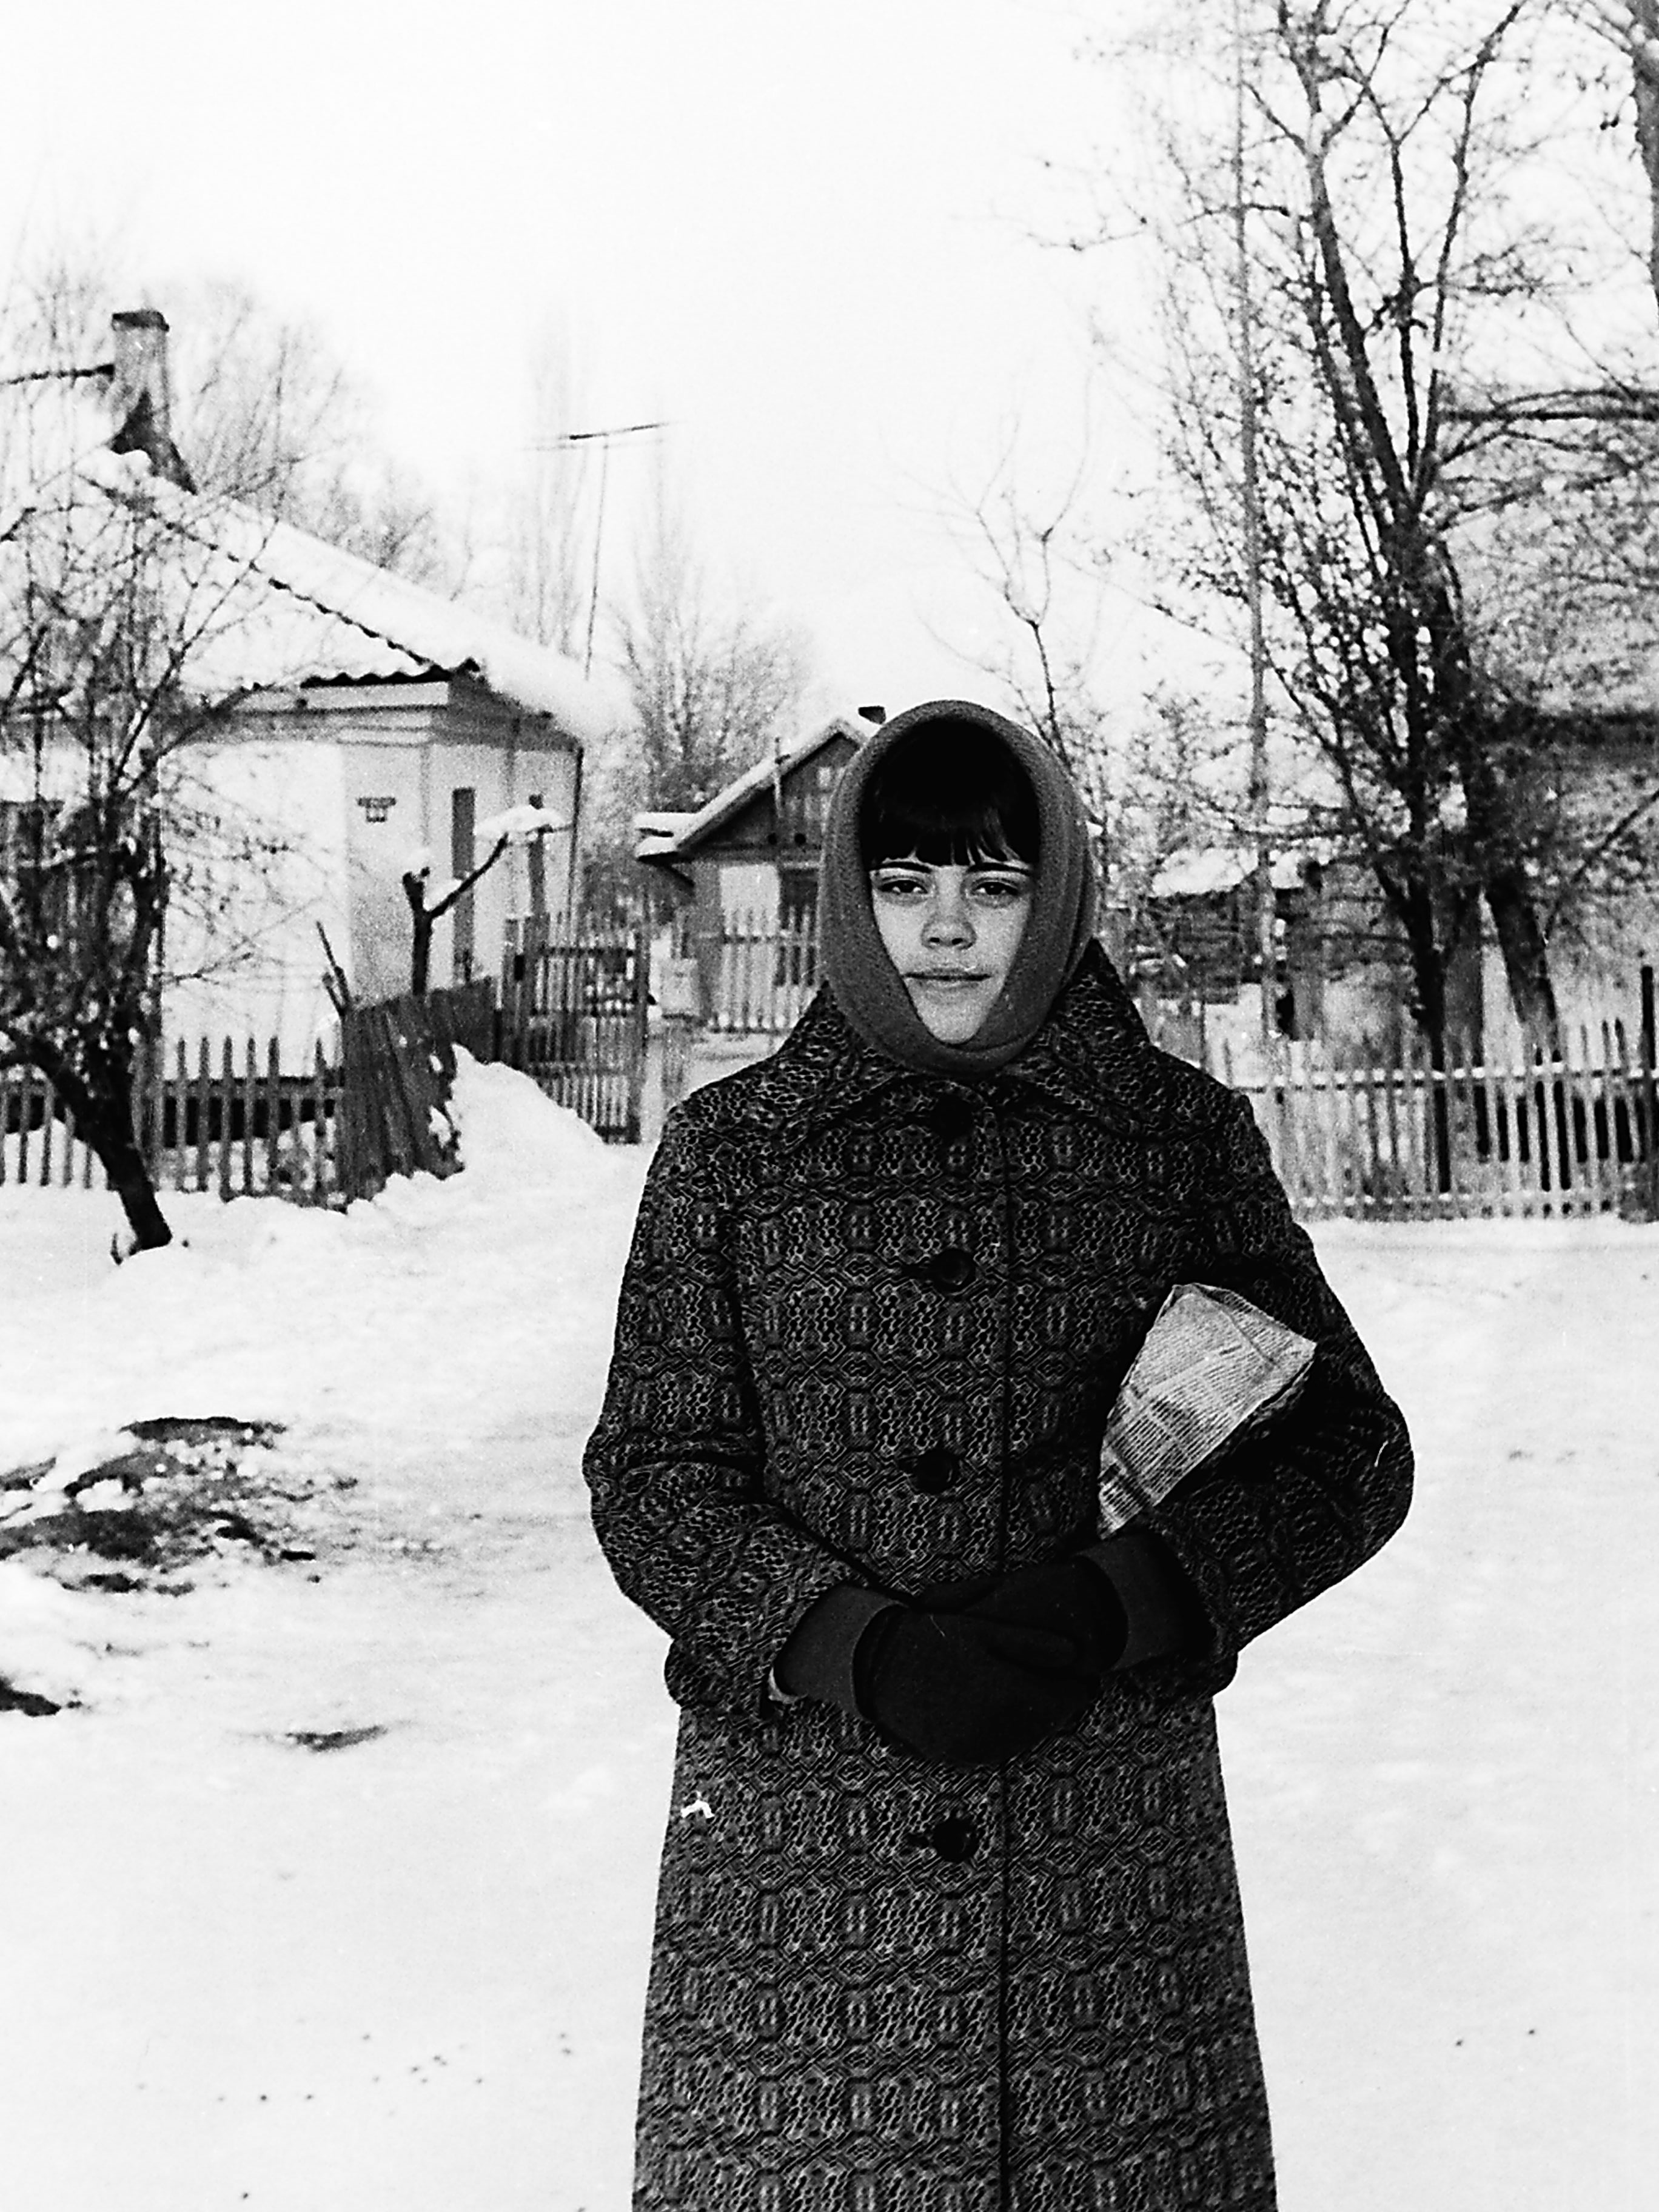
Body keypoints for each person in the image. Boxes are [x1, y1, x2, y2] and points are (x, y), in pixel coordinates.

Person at [584, 698, 1412, 2212]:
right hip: (803, 1882)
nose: (948, 927)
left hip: (1105, 1869)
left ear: (1057, 892)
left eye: (995, 883)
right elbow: (654, 1477)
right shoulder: (732, 1156)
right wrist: (844, 1642)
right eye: (904, 883)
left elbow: (1349, 1449)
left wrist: (1126, 1602)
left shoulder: (1173, 1141)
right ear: (852, 899)